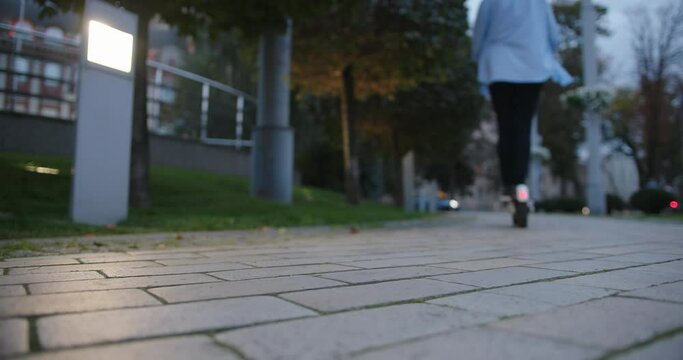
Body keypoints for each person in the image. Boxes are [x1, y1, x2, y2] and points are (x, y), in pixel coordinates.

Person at [472, 0, 572, 228]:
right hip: (531, 66)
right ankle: (520, 182)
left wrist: (477, 56)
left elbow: (480, 31)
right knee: (523, 127)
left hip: (499, 66)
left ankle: (510, 184)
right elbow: (553, 35)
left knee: (506, 127)